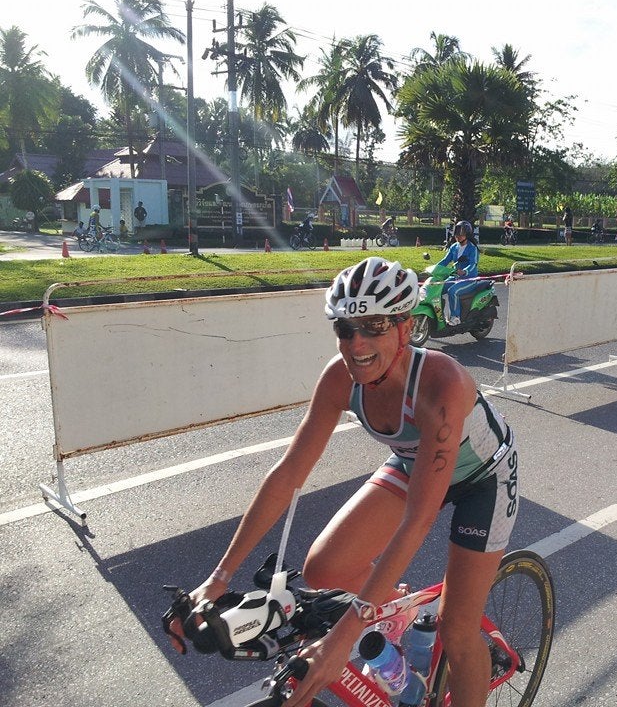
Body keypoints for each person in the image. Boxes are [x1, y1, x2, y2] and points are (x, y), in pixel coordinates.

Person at [171, 257, 518, 707]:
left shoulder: (441, 383)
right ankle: (397, 611)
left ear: (406, 325)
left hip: (482, 478)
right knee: (324, 569)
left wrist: (342, 637)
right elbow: (288, 474)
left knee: (456, 627)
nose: (357, 343)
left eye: (373, 325)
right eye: (344, 328)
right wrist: (218, 579)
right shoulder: (339, 378)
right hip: (418, 462)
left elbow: (418, 522)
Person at [436, 220, 480, 326]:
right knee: (438, 288)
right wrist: (434, 268)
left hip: (469, 279)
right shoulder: (454, 247)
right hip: (455, 276)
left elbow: (473, 264)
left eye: (461, 234)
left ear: (467, 235)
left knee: (453, 291)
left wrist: (465, 271)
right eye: (457, 234)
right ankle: (440, 316)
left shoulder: (472, 248)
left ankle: (456, 317)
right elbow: (445, 261)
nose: (458, 236)